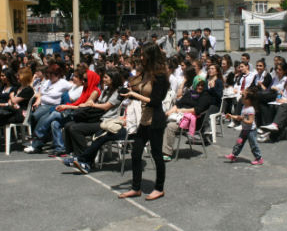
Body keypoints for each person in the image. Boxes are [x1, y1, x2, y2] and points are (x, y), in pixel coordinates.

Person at [119, 43, 170, 201]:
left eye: (143, 55)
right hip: (145, 119)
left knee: (156, 155)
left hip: (155, 120)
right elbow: (139, 93)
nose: (141, 58)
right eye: (140, 55)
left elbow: (154, 101)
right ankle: (136, 188)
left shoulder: (160, 75)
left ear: (151, 55)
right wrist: (130, 92)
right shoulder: (146, 73)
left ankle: (159, 188)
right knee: (135, 154)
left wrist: (132, 94)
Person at [61, 70, 124, 172]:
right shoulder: (106, 91)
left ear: (113, 79)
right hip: (97, 118)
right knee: (68, 125)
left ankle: (85, 160)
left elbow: (106, 106)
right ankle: (77, 156)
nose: (103, 79)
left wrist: (92, 104)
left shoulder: (118, 92)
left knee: (75, 128)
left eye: (106, 77)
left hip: (106, 122)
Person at [0, 68, 35, 158]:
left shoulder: (28, 89)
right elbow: (10, 102)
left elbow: (13, 100)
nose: (17, 77)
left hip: (20, 114)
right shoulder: (17, 87)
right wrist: (13, 100)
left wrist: (12, 98)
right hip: (11, 111)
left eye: (19, 75)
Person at [162, 75, 211, 161]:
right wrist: (169, 112)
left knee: (170, 126)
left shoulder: (205, 96)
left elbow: (197, 110)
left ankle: (167, 153)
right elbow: (178, 105)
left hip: (193, 120)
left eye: (202, 85)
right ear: (194, 84)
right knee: (158, 121)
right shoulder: (189, 93)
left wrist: (181, 111)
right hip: (179, 115)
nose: (200, 87)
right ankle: (156, 148)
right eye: (198, 85)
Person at [224, 87, 263, 165]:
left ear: (248, 99)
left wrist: (242, 120)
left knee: (253, 144)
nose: (241, 97)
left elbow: (250, 122)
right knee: (239, 142)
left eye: (243, 96)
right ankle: (234, 154)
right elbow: (239, 116)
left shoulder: (251, 110)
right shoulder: (244, 107)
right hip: (244, 129)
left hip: (251, 130)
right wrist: (231, 116)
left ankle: (259, 158)